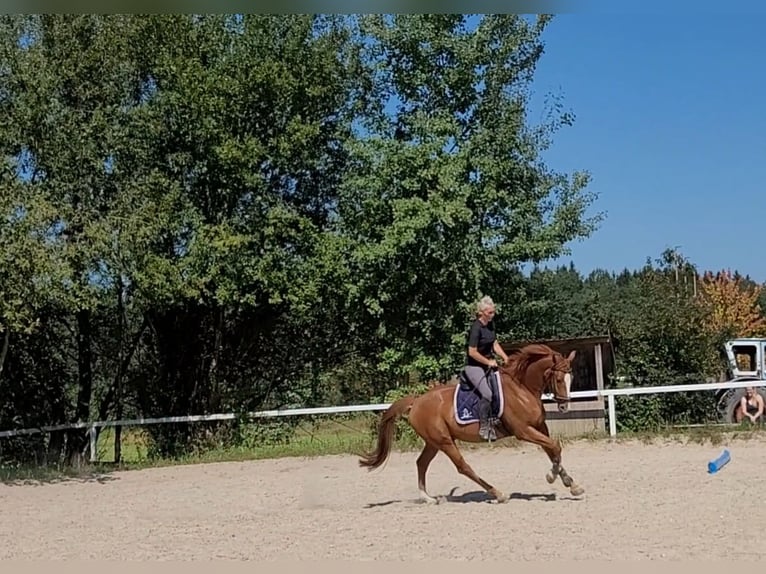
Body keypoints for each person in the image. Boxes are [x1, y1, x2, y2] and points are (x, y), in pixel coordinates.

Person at [463, 295, 510, 441]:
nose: (493, 315)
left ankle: (496, 418)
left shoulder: (490, 325)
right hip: (474, 367)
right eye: (490, 313)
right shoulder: (476, 328)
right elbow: (472, 352)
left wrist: (505, 357)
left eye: (493, 312)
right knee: (487, 394)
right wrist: (488, 362)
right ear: (482, 312)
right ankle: (483, 426)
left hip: (488, 365)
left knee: (502, 389)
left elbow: (494, 344)